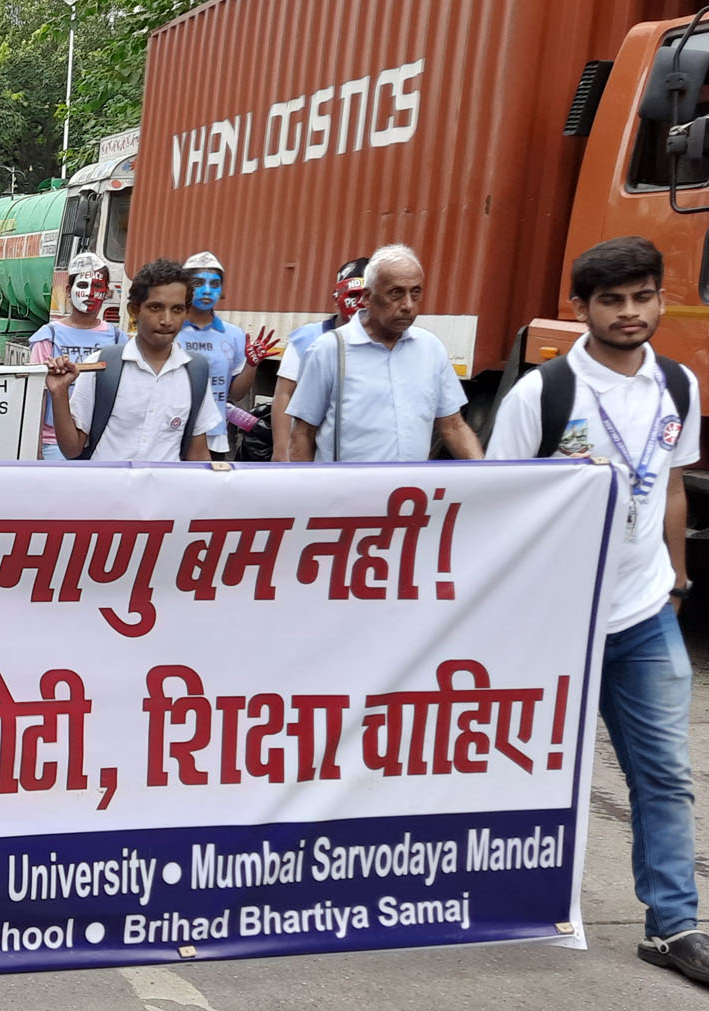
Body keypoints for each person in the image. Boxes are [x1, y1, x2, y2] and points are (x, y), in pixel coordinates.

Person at [486, 236, 703, 979]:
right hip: (557, 623)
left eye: (643, 296)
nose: (631, 311)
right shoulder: (541, 396)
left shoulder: (678, 386)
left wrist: (675, 580)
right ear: (580, 309)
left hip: (644, 615)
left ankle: (674, 924)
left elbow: (671, 485)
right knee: (529, 772)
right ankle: (496, 899)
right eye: (612, 299)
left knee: (665, 774)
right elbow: (500, 510)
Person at [287, 244, 482, 462]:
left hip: (408, 493)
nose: (408, 305)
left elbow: (453, 426)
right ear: (367, 297)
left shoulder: (431, 349)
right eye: (396, 293)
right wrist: (306, 490)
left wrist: (489, 476)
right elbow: (302, 434)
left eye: (415, 292)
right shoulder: (329, 350)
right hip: (344, 493)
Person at [45, 258, 219, 462]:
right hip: (106, 491)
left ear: (187, 312)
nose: (167, 320)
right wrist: (59, 394)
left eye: (177, 309)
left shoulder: (194, 373)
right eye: (156, 308)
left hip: (164, 492)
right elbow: (72, 449)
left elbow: (197, 454)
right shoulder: (102, 366)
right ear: (134, 310)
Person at [178, 251, 277, 455]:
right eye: (198, 283)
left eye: (214, 285)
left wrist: (251, 364)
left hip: (213, 435)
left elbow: (235, 394)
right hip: (172, 432)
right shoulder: (170, 330)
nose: (206, 291)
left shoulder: (234, 335)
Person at [30, 252, 127, 460]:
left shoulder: (119, 340)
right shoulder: (48, 337)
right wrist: (35, 447)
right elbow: (37, 396)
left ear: (107, 292)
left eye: (97, 287)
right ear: (68, 290)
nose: (90, 294)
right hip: (53, 442)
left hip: (103, 442)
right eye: (83, 286)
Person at [271, 257, 367, 461]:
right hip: (309, 446)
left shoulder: (382, 344)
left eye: (366, 295)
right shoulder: (305, 339)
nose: (359, 303)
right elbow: (285, 394)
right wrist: (281, 450)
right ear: (336, 298)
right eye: (353, 295)